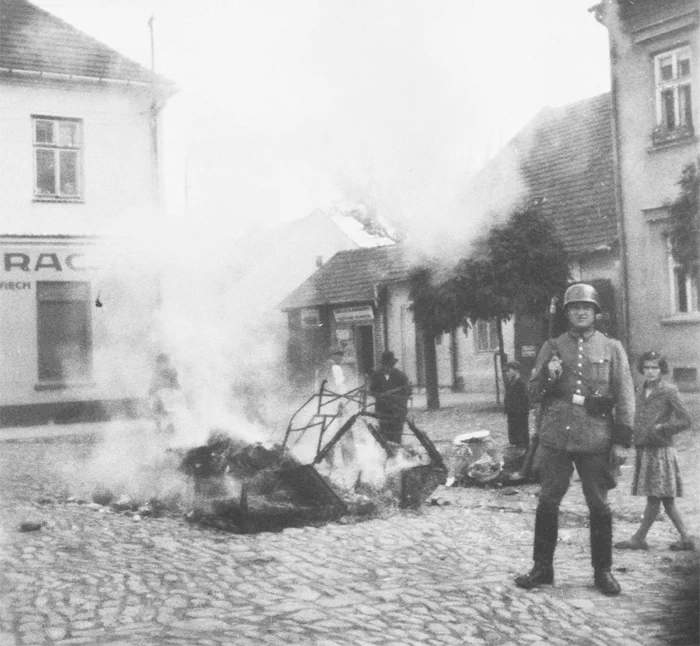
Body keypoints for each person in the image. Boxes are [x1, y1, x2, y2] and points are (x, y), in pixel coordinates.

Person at [514, 283, 635, 596]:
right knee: (547, 501)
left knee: (599, 505)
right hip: (556, 438)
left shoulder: (611, 347)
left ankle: (602, 571)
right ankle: (542, 568)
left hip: (596, 438)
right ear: (567, 313)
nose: (581, 311)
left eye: (586, 307)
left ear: (595, 312)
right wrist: (549, 377)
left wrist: (622, 440)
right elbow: (532, 394)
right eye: (574, 307)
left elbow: (625, 396)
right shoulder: (552, 346)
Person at [615, 351, 695, 552]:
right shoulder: (639, 389)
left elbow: (686, 420)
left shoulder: (669, 390)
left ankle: (639, 538)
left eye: (655, 367)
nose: (650, 372)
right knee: (666, 498)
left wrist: (663, 428)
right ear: (642, 369)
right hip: (645, 448)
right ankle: (686, 538)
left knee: (654, 495)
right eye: (647, 367)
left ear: (662, 370)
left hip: (661, 450)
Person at [369, 350, 412, 444]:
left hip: (397, 410)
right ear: (382, 365)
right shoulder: (376, 375)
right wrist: (378, 395)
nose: (388, 367)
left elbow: (408, 392)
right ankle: (386, 453)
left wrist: (396, 398)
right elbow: (372, 390)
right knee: (384, 435)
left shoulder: (401, 376)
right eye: (385, 365)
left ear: (393, 364)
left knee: (396, 436)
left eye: (390, 365)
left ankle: (397, 455)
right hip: (382, 410)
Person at [149, 352, 181, 433]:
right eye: (159, 362)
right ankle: (159, 428)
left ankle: (170, 426)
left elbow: (176, 383)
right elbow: (154, 383)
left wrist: (175, 387)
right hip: (159, 393)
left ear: (166, 362)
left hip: (168, 393)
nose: (160, 364)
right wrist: (152, 390)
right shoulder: (156, 371)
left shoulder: (171, 371)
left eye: (162, 362)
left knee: (169, 410)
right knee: (156, 409)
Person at [504, 360, 530, 448]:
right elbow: (507, 397)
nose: (507, 373)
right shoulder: (509, 383)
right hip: (511, 414)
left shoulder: (522, 384)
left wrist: (520, 412)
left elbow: (525, 400)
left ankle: (524, 451)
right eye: (506, 371)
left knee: (522, 435)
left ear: (516, 370)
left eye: (509, 370)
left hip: (520, 414)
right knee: (513, 435)